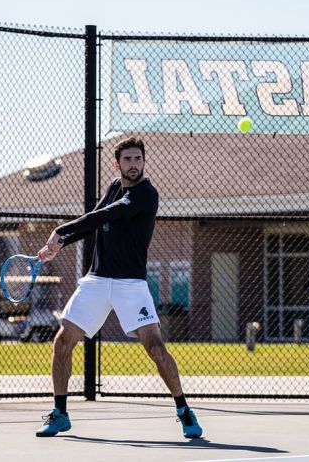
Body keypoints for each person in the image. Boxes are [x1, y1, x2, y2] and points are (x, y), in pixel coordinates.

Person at [34, 136, 203, 439]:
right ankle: (60, 413)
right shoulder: (114, 186)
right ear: (118, 163)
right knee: (62, 340)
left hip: (131, 285)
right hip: (97, 280)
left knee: (155, 347)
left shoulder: (147, 194)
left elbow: (109, 214)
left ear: (143, 162)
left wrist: (61, 229)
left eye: (138, 159)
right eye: (128, 159)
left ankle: (183, 410)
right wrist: (60, 244)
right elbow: (96, 221)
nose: (134, 164)